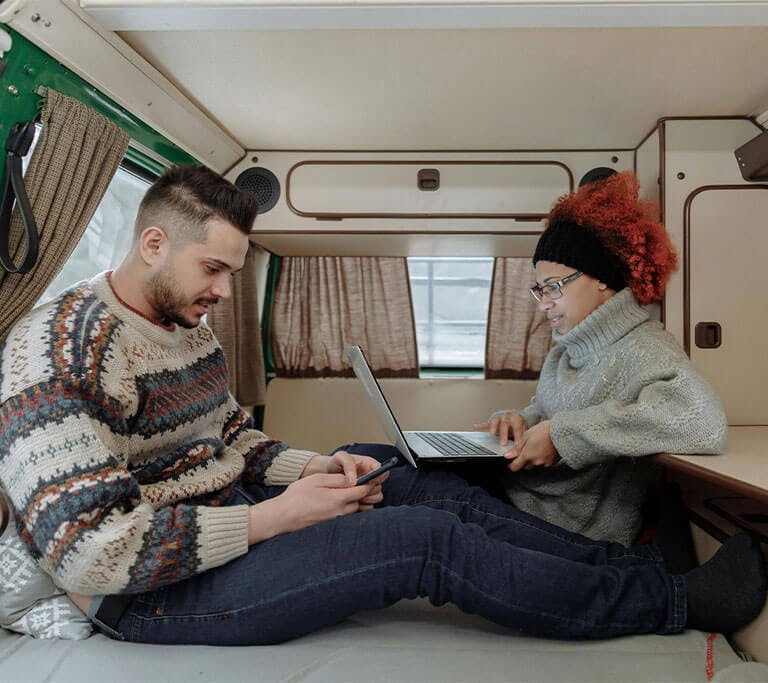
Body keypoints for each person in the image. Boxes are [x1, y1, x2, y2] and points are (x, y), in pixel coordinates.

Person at [0, 165, 763, 646]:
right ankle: (670, 601)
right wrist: (278, 515)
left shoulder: (185, 326)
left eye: (234, 272)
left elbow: (235, 438)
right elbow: (89, 551)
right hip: (148, 592)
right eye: (215, 269)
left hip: (218, 512)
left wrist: (320, 468)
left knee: (408, 477)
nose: (227, 292)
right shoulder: (58, 353)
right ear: (154, 243)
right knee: (424, 541)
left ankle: (625, 570)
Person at [474, 172, 728, 548]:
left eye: (553, 287)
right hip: (526, 498)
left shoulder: (644, 347)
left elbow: (703, 422)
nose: (544, 303)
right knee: (401, 471)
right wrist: (520, 422)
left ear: (602, 280)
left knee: (423, 495)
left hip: (570, 527)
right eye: (539, 290)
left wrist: (563, 436)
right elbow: (547, 413)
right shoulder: (565, 351)